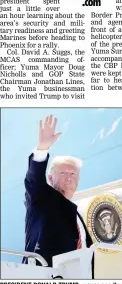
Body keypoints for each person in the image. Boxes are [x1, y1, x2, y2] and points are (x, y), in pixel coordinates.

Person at [24, 115, 93, 271]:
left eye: (73, 174)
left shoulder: (77, 217)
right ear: (50, 177)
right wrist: (42, 148)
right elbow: (34, 179)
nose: (68, 178)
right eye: (63, 173)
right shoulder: (41, 198)